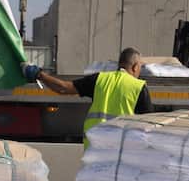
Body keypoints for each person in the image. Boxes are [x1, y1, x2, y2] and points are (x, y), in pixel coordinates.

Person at [22, 47, 152, 142]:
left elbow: (63, 88)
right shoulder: (138, 87)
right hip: (120, 151)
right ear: (135, 66)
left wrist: (39, 74)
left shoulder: (100, 79)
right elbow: (148, 128)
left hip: (95, 148)